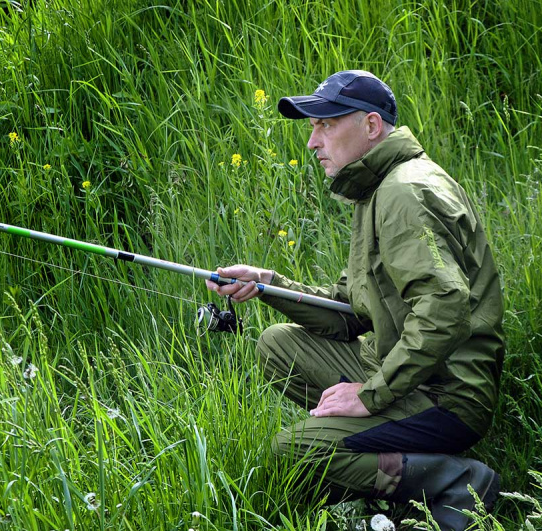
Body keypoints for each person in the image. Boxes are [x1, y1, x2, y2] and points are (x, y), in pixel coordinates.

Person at [207, 70, 505, 530]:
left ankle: (454, 484)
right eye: (312, 127)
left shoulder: (403, 193)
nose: (312, 142)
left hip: (447, 393)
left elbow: (445, 304)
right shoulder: (378, 189)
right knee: (277, 345)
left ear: (370, 126)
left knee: (294, 448)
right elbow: (350, 310)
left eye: (324, 124)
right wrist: (269, 283)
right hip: (408, 368)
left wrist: (370, 395)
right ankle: (394, 460)